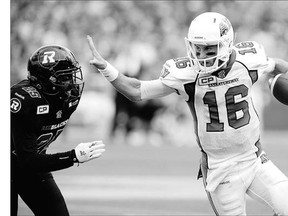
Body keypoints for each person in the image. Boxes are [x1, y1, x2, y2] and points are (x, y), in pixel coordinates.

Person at [87, 12, 288, 215]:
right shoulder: (187, 74)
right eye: (197, 48)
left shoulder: (249, 59)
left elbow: (276, 65)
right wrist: (107, 69)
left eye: (209, 48)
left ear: (226, 43)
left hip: (254, 159)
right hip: (220, 169)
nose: (201, 56)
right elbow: (137, 91)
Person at [11, 45, 106, 216]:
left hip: (28, 166)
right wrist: (72, 156)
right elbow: (28, 160)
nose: (72, 82)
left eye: (72, 75)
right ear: (48, 80)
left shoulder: (65, 99)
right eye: (65, 77)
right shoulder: (24, 101)